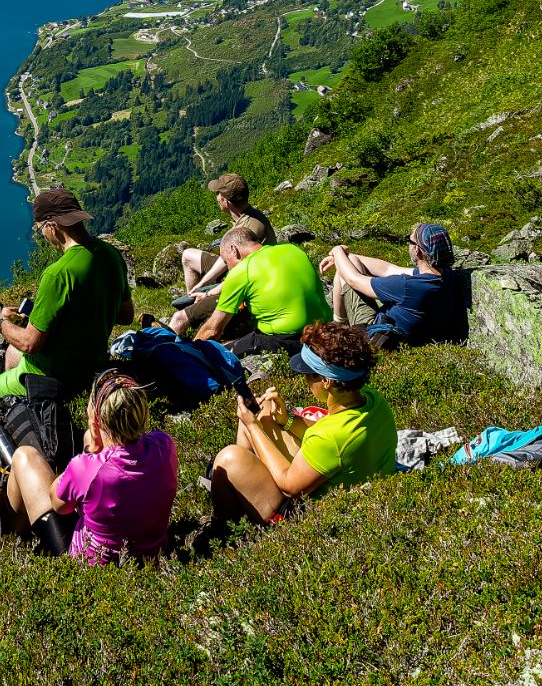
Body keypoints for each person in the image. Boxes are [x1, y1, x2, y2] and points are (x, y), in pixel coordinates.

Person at [210, 321, 397, 526]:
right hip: (345, 481)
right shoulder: (371, 399)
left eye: (309, 373)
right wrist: (287, 420)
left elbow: (289, 487)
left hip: (304, 516)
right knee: (264, 414)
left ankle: (223, 524)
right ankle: (238, 495)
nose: (305, 379)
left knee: (230, 458)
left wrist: (253, 427)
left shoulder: (331, 437)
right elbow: (327, 439)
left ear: (327, 381)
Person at [0, 371, 178, 564]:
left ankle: (17, 536)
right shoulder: (164, 444)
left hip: (90, 568)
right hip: (150, 556)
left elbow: (58, 505)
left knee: (24, 456)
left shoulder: (87, 468)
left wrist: (88, 455)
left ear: (97, 419)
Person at [0, 188, 133, 405]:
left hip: (51, 378)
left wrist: (0, 322)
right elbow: (126, 316)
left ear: (52, 226)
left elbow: (30, 344)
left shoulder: (58, 274)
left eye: (40, 228)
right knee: (12, 353)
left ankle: (19, 399)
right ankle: (14, 405)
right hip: (92, 365)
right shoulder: (110, 254)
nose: (41, 234)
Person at [184, 222, 329, 356]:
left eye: (225, 260)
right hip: (324, 330)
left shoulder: (241, 271)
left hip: (288, 339)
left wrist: (191, 351)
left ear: (234, 250)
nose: (228, 267)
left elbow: (212, 330)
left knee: (221, 352)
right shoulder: (291, 249)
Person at [325, 221, 457, 348]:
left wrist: (337, 251)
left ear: (417, 251)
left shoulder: (408, 286)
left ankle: (338, 327)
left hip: (377, 337)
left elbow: (354, 279)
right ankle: (338, 324)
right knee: (347, 263)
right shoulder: (445, 276)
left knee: (344, 273)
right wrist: (343, 257)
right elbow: (389, 269)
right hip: (407, 339)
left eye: (410, 241)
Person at [170, 173, 276, 332]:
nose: (216, 197)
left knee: (177, 319)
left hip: (247, 286)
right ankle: (194, 304)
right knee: (188, 256)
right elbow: (224, 260)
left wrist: (209, 293)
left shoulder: (248, 229)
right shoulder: (248, 217)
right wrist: (200, 286)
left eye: (218, 194)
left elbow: (240, 277)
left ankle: (191, 318)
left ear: (226, 201)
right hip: (238, 272)